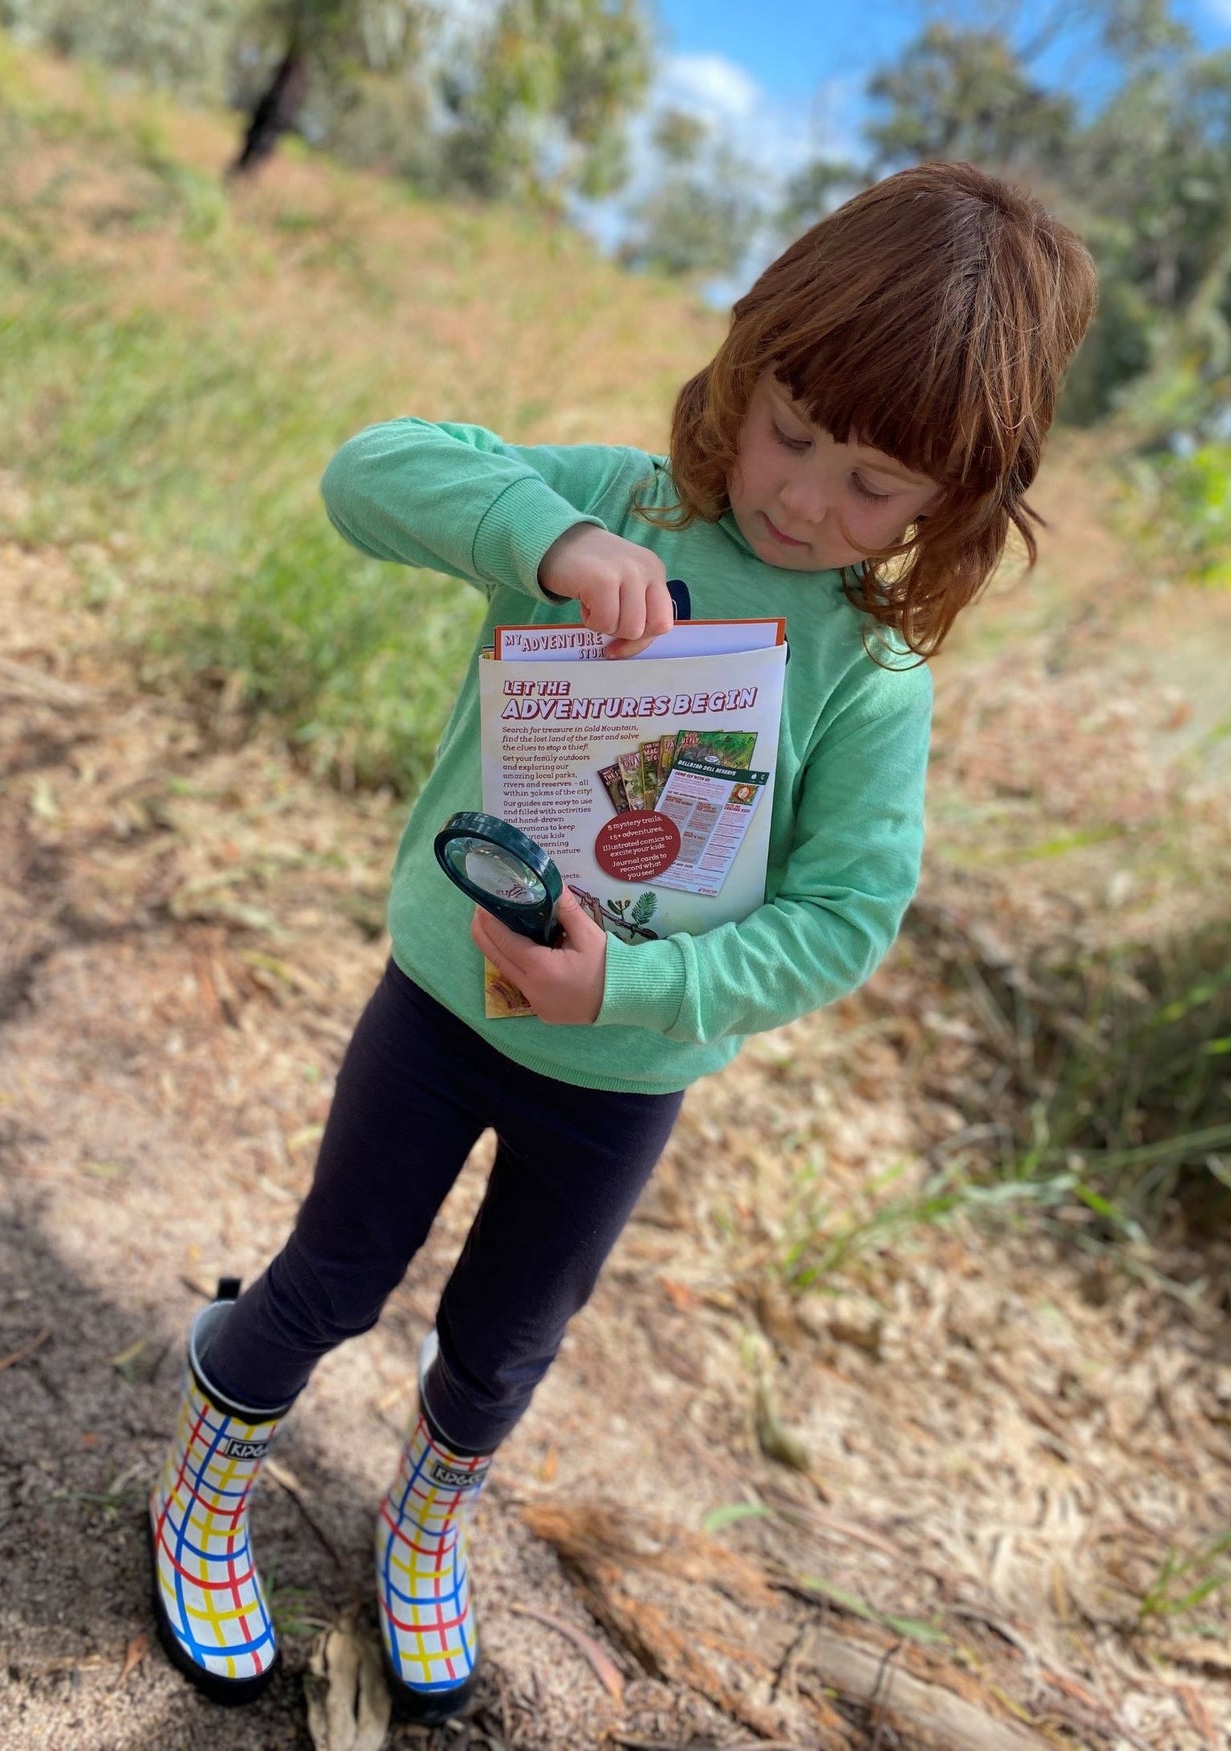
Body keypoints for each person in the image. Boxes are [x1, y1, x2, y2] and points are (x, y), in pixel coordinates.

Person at [146, 161, 1096, 1716]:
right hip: (447, 1006)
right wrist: (546, 543)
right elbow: (370, 472)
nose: (801, 498)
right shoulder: (614, 507)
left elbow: (844, 916)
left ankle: (425, 1525)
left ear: (952, 503)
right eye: (793, 430)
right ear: (746, 362)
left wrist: (634, 983)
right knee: (334, 1270)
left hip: (624, 1066)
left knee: (509, 1337)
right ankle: (206, 1477)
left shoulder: (865, 676)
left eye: (873, 484)